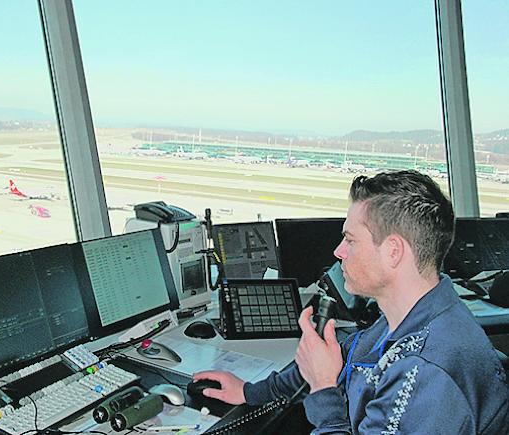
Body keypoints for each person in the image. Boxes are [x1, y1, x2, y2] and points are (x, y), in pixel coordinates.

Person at [195, 170, 508, 434]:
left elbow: (326, 378)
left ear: (393, 251)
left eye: (350, 240)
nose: (339, 251)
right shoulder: (406, 317)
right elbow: (340, 356)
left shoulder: (426, 372)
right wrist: (249, 392)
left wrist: (323, 388)